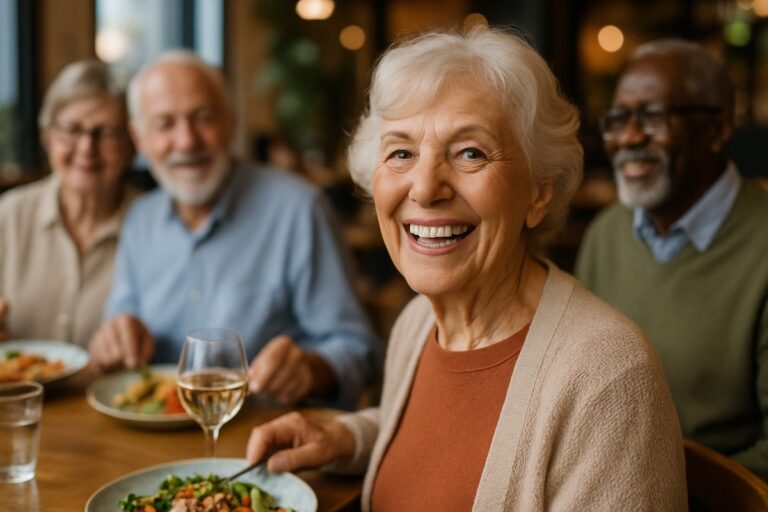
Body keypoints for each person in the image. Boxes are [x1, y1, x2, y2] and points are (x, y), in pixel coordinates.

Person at [244, 28, 687, 510]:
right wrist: (345, 437)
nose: (425, 187)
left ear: (539, 191)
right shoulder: (417, 324)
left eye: (470, 152)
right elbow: (449, 444)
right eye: (401, 153)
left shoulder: (608, 375)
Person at [88, 51, 380, 409]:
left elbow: (359, 351)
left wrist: (311, 369)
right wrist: (116, 338)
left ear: (230, 121)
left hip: (265, 439)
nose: (186, 141)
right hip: (153, 437)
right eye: (164, 124)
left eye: (203, 118)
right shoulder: (139, 220)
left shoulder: (298, 209)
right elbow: (119, 326)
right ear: (140, 138)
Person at [575, 39, 768, 481]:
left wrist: (659, 492)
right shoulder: (605, 234)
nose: (628, 137)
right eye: (619, 119)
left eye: (654, 117)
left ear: (716, 131)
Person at [0, 59, 138, 346]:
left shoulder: (155, 226)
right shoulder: (8, 216)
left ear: (132, 144)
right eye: (72, 130)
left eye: (106, 132)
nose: (87, 148)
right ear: (47, 137)